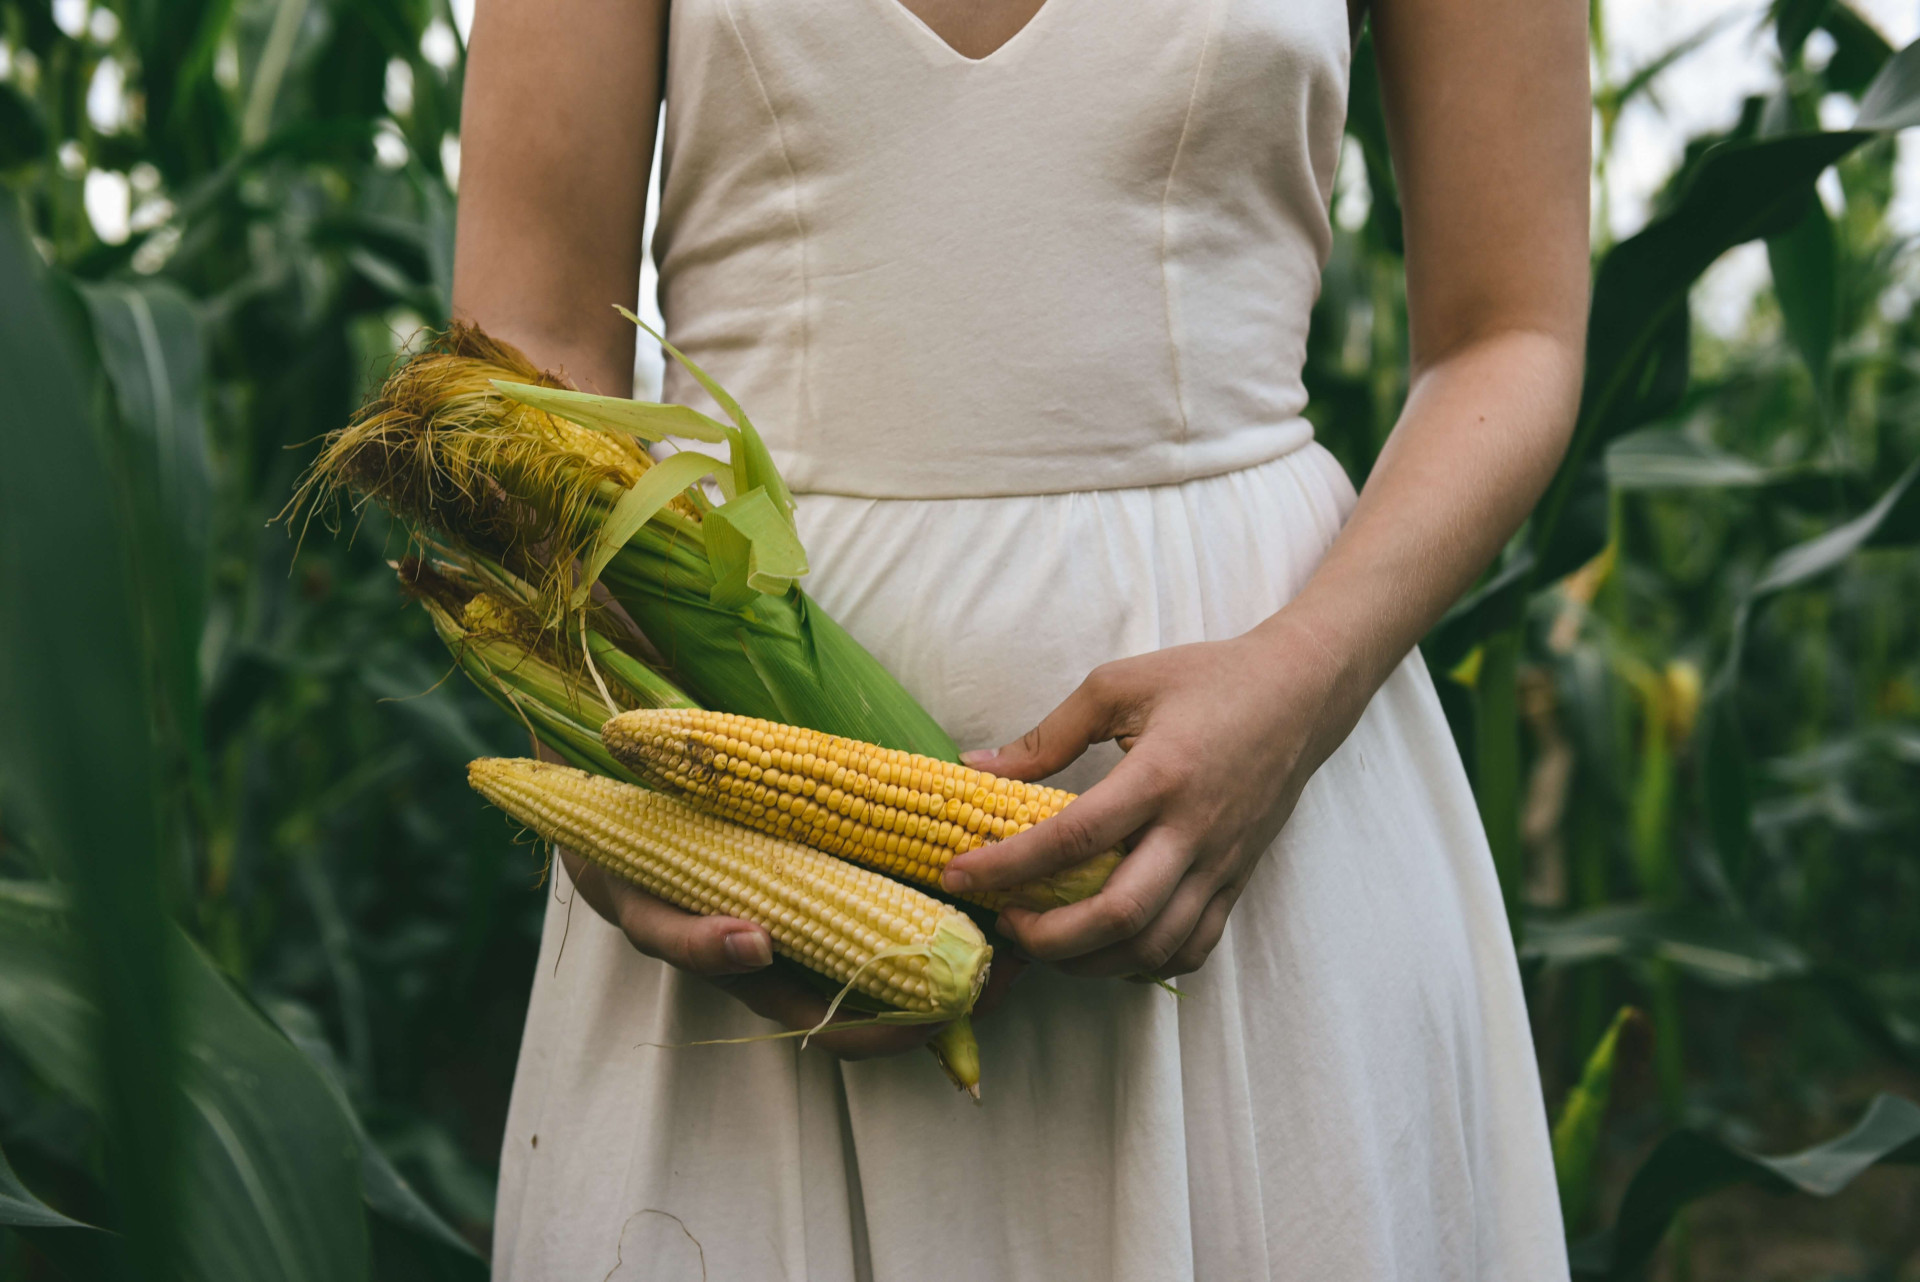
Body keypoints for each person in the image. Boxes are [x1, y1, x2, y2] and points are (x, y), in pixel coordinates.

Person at [454, 0, 1588, 1276]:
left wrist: (1304, 678)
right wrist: (622, 808)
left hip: (1277, 824)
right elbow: (522, 354)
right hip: (725, 818)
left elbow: (1513, 333)